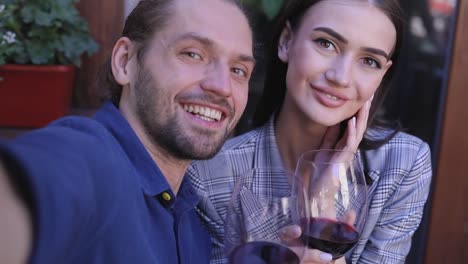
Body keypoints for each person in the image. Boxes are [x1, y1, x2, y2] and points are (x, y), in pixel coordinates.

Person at [0, 0, 256, 263]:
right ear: (125, 62)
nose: (223, 86)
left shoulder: (191, 216)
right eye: (192, 53)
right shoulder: (94, 160)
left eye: (238, 70)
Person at [187, 0, 432, 263]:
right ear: (286, 41)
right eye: (326, 43)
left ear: (383, 74)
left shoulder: (401, 164)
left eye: (369, 61)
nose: (341, 77)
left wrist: (324, 204)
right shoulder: (210, 173)